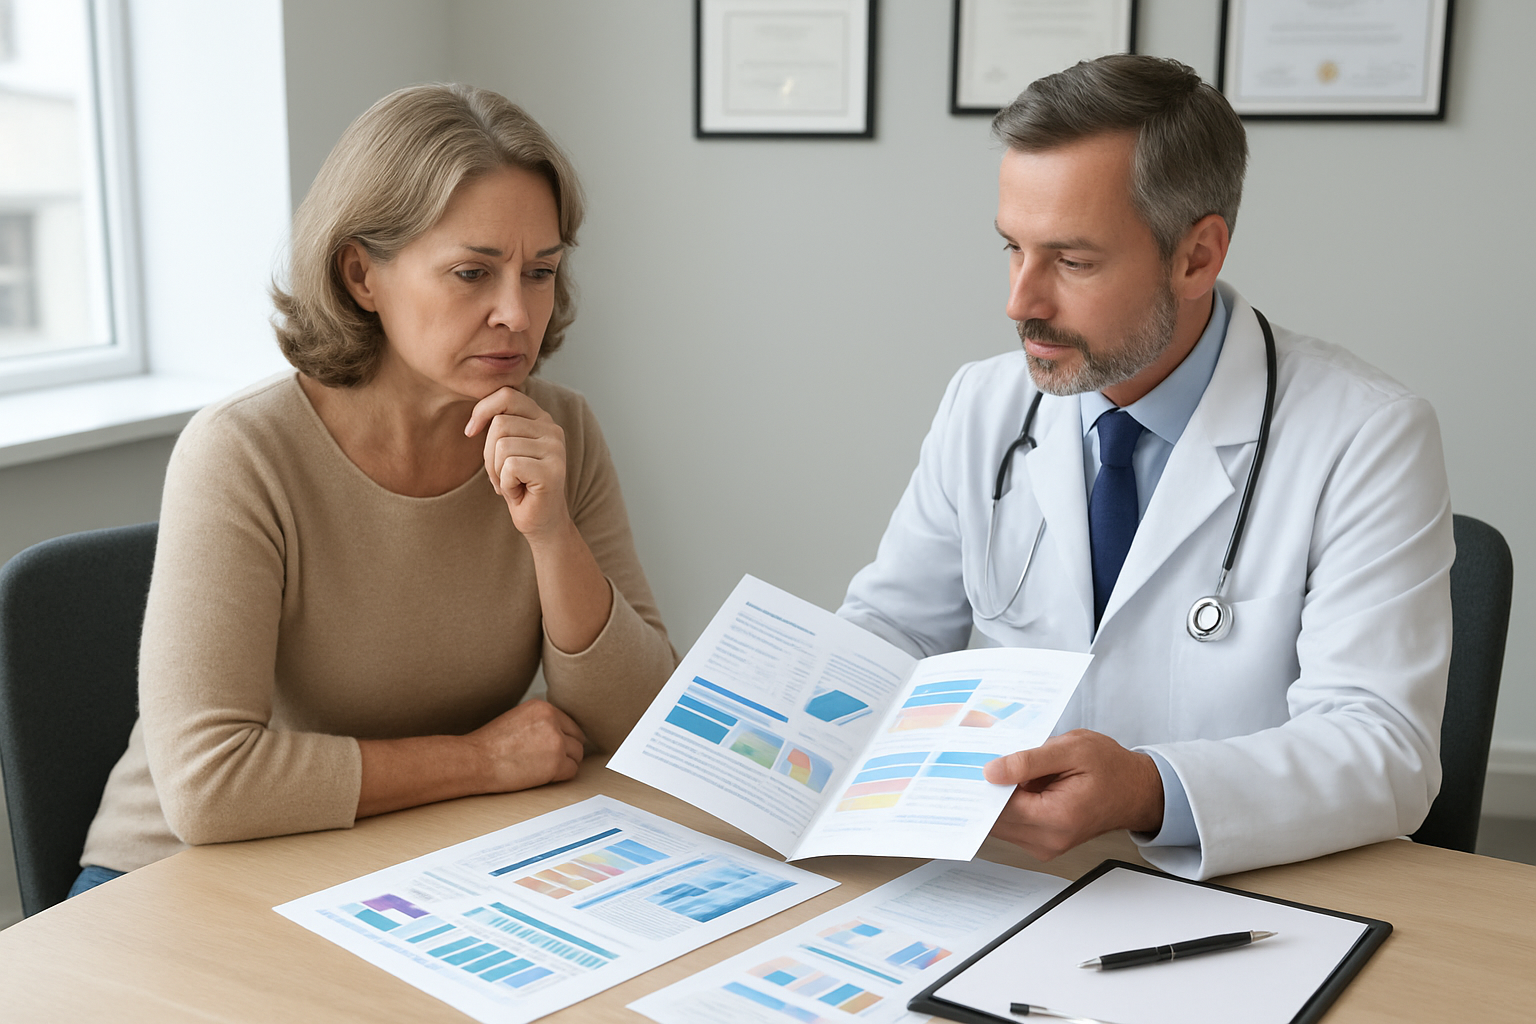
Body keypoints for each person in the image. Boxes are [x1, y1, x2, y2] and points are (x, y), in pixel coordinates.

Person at [837, 55, 1453, 880]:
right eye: (1012, 248)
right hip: (999, 879)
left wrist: (1148, 788)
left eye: (1073, 261)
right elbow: (897, 632)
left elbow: (1383, 750)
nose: (1021, 301)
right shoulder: (983, 403)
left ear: (1197, 256)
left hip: (1243, 899)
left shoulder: (1366, 435)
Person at [72, 84, 677, 895]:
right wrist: (478, 759)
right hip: (176, 881)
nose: (516, 313)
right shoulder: (242, 452)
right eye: (473, 272)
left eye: (540, 273)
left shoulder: (558, 430)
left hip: (399, 859)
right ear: (361, 274)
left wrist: (551, 535)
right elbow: (211, 787)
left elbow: (642, 727)